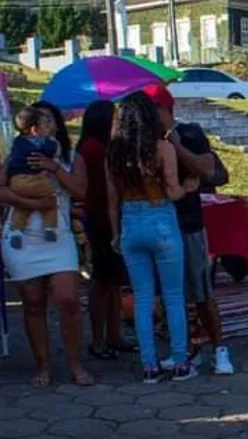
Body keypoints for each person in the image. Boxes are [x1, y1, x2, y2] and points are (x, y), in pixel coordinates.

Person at [143, 84, 235, 375]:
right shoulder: (142, 141)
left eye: (152, 110)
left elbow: (210, 172)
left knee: (202, 291)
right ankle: (185, 350)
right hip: (159, 224)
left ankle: (219, 350)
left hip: (189, 224)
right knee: (172, 295)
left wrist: (176, 147)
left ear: (164, 109)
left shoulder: (190, 133)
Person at [0, 101, 93, 387]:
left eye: (50, 120)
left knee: (68, 299)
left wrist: (54, 168)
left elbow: (81, 191)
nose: (47, 125)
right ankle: (43, 365)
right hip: (22, 236)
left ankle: (76, 365)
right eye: (41, 121)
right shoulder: (17, 154)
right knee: (32, 302)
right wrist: (30, 202)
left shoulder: (70, 155)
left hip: (58, 235)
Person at [105, 92, 194, 384]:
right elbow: (173, 191)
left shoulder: (114, 154)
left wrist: (116, 233)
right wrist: (188, 187)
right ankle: (180, 362)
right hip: (161, 219)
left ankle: (149, 366)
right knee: (173, 296)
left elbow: (112, 200)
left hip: (130, 222)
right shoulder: (162, 148)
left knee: (142, 297)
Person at [77, 100, 135, 360]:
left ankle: (114, 334)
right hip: (100, 219)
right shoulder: (92, 148)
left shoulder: (104, 147)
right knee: (102, 281)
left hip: (111, 217)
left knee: (114, 281)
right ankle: (98, 339)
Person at [5, 107, 60, 249]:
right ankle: (49, 227)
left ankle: (16, 231)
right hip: (33, 179)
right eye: (45, 125)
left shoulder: (18, 142)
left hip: (16, 181)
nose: (49, 128)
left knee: (22, 207)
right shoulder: (40, 144)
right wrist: (52, 142)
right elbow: (52, 149)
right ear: (35, 130)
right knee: (51, 199)